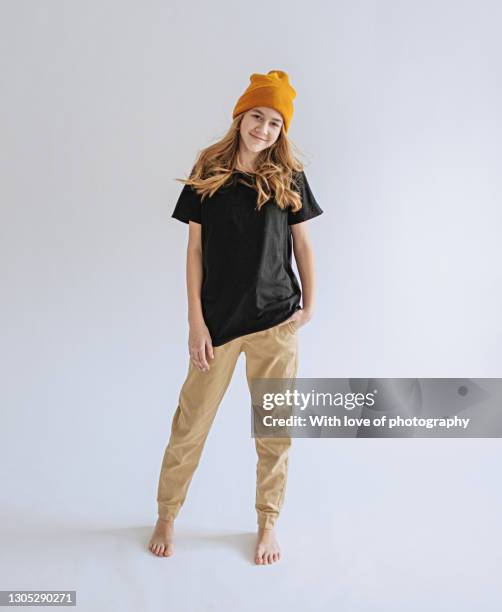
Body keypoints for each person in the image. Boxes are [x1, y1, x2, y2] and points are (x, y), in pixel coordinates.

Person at [148, 70, 323, 565]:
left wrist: (310, 305)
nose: (263, 129)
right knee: (190, 423)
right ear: (240, 116)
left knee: (274, 429)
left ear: (281, 131)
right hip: (218, 326)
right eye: (256, 117)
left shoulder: (290, 177)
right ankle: (167, 513)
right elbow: (195, 251)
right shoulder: (209, 168)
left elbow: (303, 244)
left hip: (275, 322)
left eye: (274, 123)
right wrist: (195, 323)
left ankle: (268, 523)